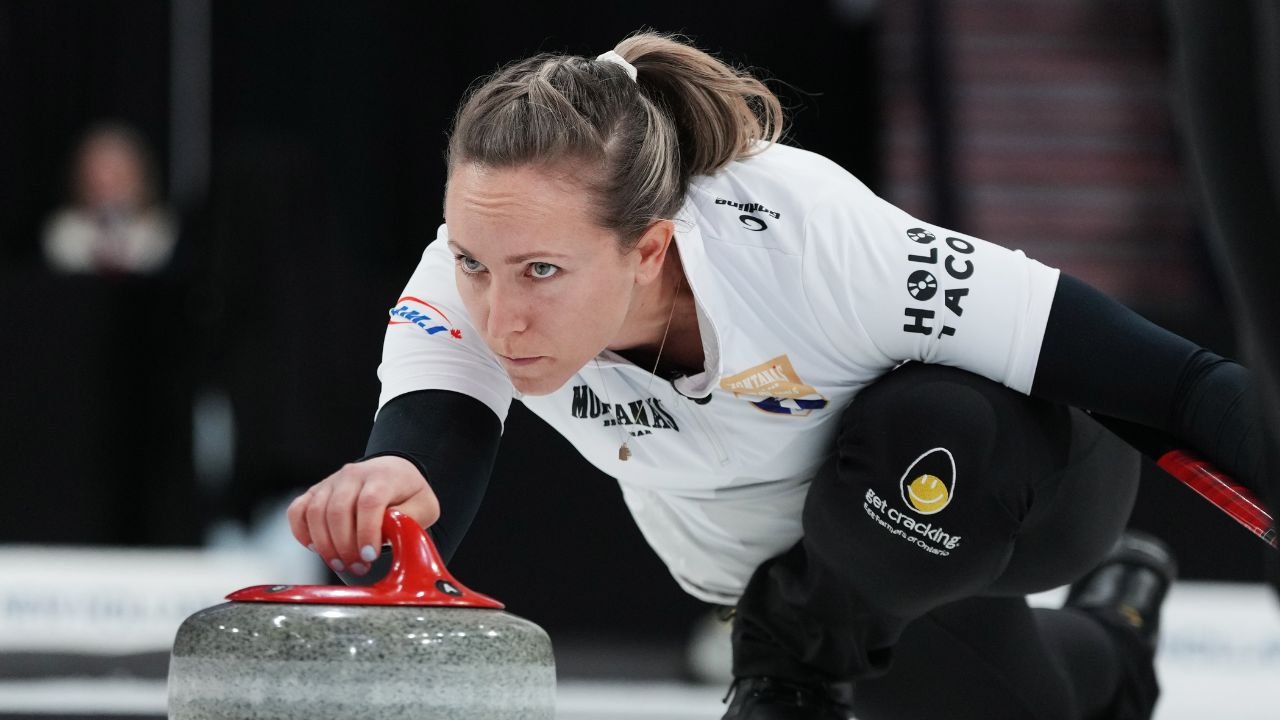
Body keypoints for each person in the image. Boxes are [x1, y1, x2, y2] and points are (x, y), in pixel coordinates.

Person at [286, 32, 1265, 719]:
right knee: (1017, 703)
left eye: (542, 271)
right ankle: (1119, 633)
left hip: (1014, 481)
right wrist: (391, 496)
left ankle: (787, 666)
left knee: (927, 428)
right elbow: (434, 441)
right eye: (470, 263)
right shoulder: (475, 267)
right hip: (814, 563)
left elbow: (1178, 386)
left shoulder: (808, 242)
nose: (498, 315)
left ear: (647, 249)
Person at [42, 123, 177, 275]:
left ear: (141, 179)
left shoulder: (162, 229)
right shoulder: (65, 232)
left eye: (118, 178)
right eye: (96, 181)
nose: (106, 190)